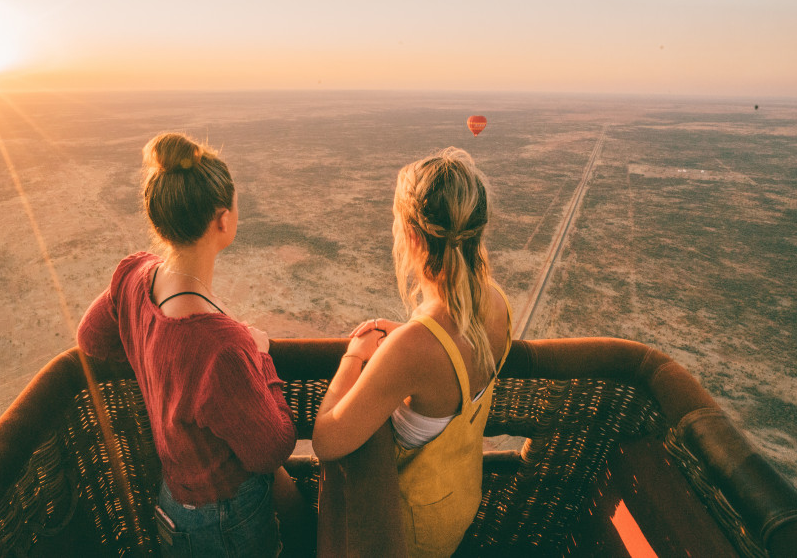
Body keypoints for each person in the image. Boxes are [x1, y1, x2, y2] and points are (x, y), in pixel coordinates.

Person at [77, 132, 297, 556]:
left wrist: (152, 352)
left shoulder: (133, 275)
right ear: (222, 220)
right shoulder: (223, 346)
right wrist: (262, 359)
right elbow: (271, 450)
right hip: (226, 520)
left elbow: (90, 338)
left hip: (174, 504)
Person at [312, 147, 513, 557]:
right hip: (458, 503)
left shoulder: (414, 348)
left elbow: (327, 440)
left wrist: (354, 354)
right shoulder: (496, 303)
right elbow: (452, 355)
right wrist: (411, 339)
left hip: (408, 533)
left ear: (413, 237)